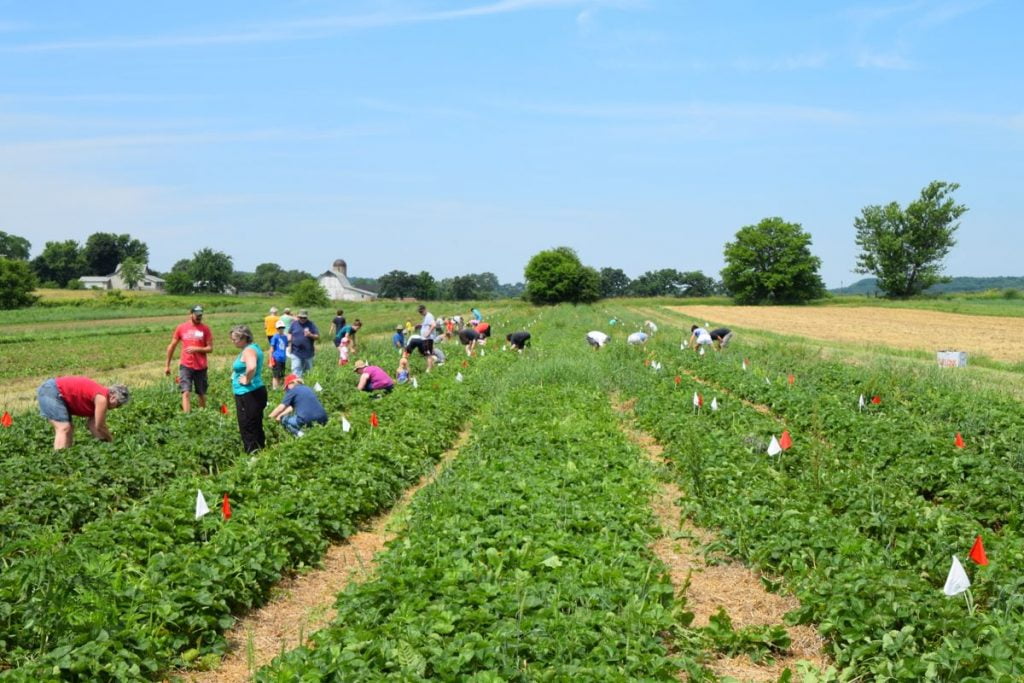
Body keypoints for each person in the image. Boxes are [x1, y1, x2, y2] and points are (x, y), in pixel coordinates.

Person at [36, 376, 130, 449]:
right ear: (113, 397)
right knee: (63, 428)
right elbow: (100, 426)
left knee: (69, 428)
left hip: (57, 393)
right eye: (118, 405)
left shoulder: (98, 399)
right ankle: (57, 460)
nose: (116, 408)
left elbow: (93, 425)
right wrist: (111, 440)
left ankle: (66, 456)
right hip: (51, 391)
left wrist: (106, 446)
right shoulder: (101, 399)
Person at [165, 305, 213, 413]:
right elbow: (172, 346)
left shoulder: (205, 329)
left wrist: (197, 349)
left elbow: (210, 348)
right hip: (186, 366)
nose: (199, 317)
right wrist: (167, 365)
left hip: (201, 366)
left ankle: (202, 415)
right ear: (190, 314)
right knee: (185, 392)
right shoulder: (181, 328)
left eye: (200, 315)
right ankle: (187, 417)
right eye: (196, 315)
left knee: (201, 393)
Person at [229, 324, 267, 453]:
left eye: (235, 339)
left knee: (247, 426)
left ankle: (252, 455)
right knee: (256, 424)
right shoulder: (253, 348)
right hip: (255, 392)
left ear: (244, 338)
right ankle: (260, 451)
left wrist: (246, 379)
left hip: (248, 393)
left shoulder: (248, 350)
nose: (233, 342)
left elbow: (251, 367)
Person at [288, 309, 320, 377]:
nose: (302, 319)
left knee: (308, 372)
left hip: (308, 353)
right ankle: (297, 386)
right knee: (296, 371)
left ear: (307, 317)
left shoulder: (311, 324)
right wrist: (289, 342)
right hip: (295, 352)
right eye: (301, 317)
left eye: (304, 317)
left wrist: (310, 335)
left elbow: (317, 336)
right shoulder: (294, 324)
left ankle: (307, 385)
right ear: (298, 316)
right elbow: (290, 333)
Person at [269, 320, 289, 389]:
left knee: (282, 374)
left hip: (283, 358)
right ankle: (275, 389)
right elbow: (271, 349)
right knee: (276, 375)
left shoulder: (285, 337)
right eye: (279, 328)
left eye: (282, 327)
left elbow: (286, 347)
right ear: (277, 329)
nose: (281, 329)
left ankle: (280, 388)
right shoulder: (275, 337)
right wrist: (270, 361)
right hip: (276, 358)